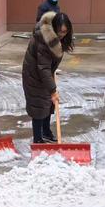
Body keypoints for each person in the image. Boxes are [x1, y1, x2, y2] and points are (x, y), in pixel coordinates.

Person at [22, 11, 74, 144]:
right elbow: (43, 68)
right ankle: (38, 139)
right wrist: (52, 90)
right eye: (60, 31)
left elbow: (47, 66)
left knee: (48, 104)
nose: (63, 35)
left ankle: (46, 132)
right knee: (39, 106)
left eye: (65, 31)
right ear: (54, 28)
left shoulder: (56, 38)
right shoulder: (44, 40)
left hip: (44, 73)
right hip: (34, 75)